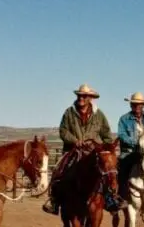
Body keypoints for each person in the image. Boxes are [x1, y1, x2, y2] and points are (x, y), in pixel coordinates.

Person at [42, 84, 114, 215]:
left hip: (93, 152)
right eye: (79, 95)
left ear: (90, 98)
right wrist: (75, 141)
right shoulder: (69, 112)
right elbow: (63, 131)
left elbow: (107, 134)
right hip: (73, 150)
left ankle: (111, 199)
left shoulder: (99, 115)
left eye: (84, 96)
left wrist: (103, 147)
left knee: (108, 172)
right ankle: (54, 200)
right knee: (59, 171)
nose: (81, 98)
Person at [117, 92, 144, 208]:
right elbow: (122, 135)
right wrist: (137, 142)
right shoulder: (124, 119)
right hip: (130, 151)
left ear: (143, 105)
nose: (137, 107)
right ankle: (123, 197)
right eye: (135, 104)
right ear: (131, 105)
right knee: (123, 169)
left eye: (140, 104)